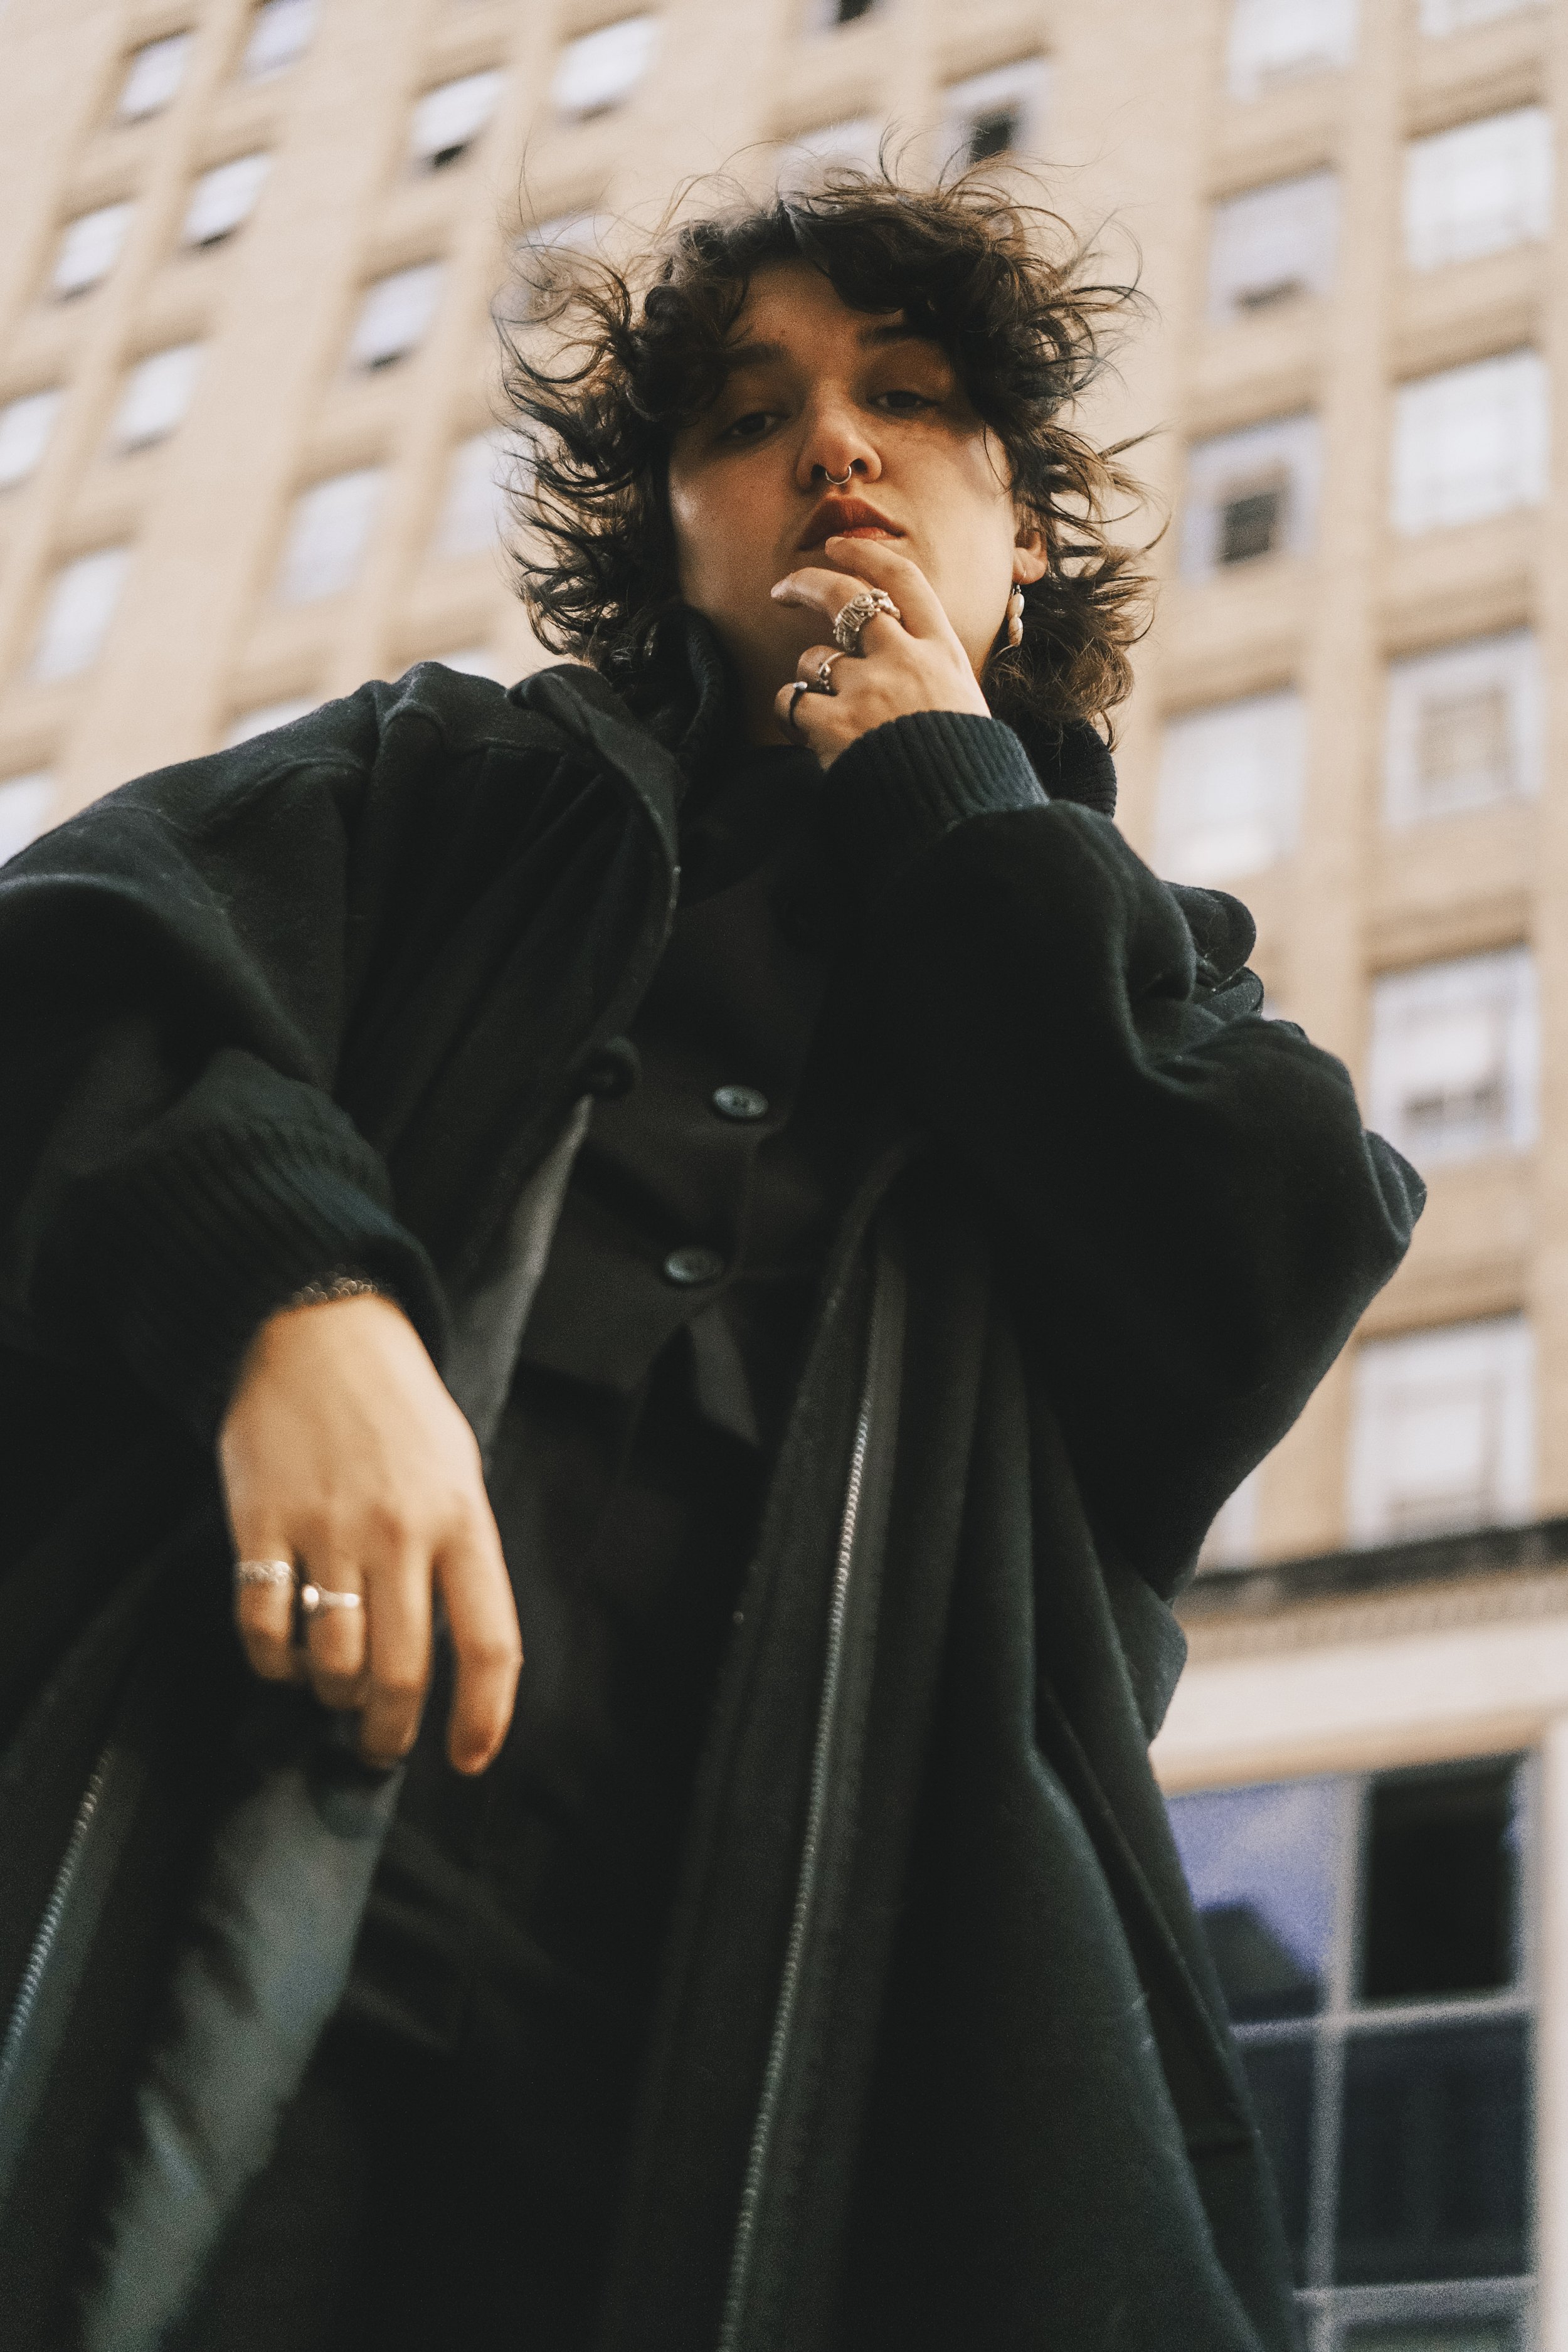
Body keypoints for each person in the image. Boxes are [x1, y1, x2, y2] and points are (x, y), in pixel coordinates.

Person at [0, 173, 1421, 2352]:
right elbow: (75, 970)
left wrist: (947, 793)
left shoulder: (1167, 1002)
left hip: (796, 2039)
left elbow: (1252, 1263)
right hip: (243, 1902)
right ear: (663, 532)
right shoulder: (439, 781)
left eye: (910, 400)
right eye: (748, 417)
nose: (831, 447)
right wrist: (291, 1297)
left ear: (1021, 527)